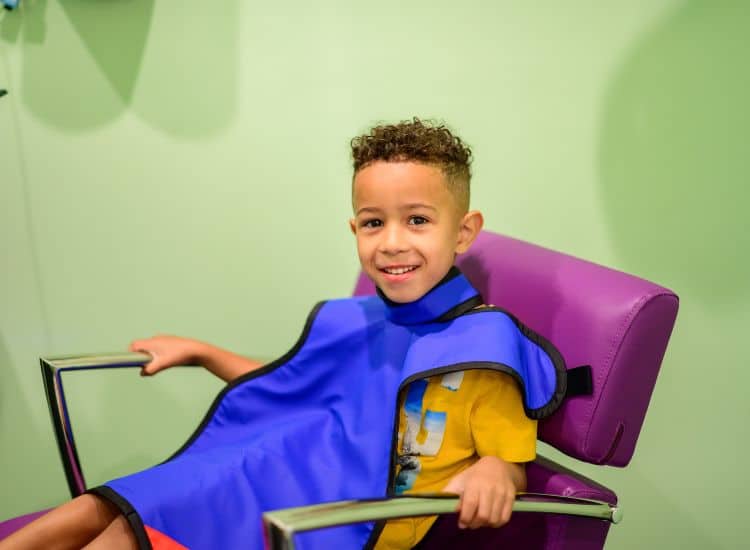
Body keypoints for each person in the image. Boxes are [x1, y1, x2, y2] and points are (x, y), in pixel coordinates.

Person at [1, 118, 564, 550]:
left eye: (417, 220)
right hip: (271, 469)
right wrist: (201, 352)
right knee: (119, 501)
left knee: (131, 530)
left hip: (328, 514)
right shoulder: (364, 317)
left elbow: (509, 460)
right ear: (354, 227)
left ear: (464, 232)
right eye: (373, 222)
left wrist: (495, 471)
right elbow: (289, 389)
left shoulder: (483, 350)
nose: (391, 242)